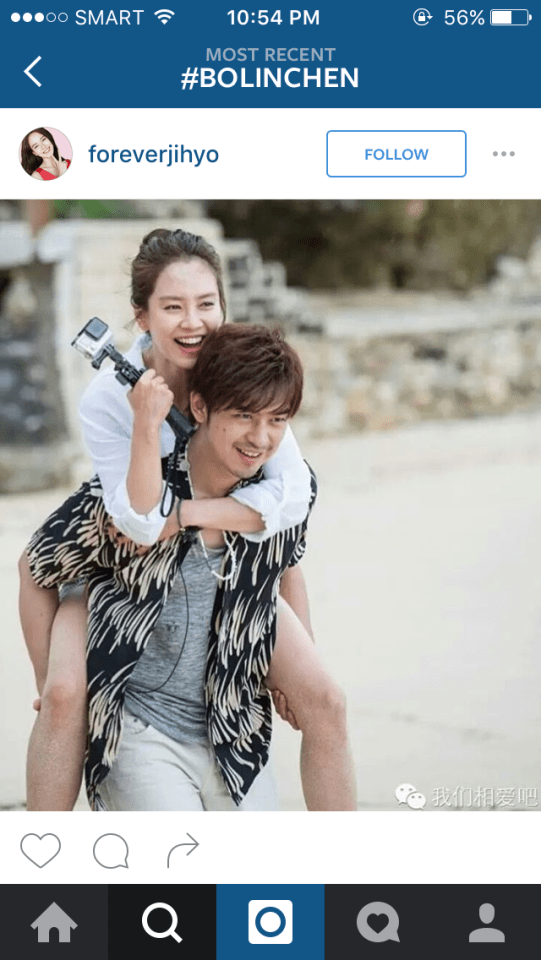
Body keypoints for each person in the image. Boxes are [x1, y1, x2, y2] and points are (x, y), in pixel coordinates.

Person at [19, 227, 357, 811]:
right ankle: (39, 849)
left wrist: (192, 514)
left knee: (326, 698)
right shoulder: (110, 397)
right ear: (142, 316)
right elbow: (136, 522)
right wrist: (147, 424)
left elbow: (293, 501)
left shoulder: (239, 379)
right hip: (119, 561)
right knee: (65, 695)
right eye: (172, 307)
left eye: (206, 304)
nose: (192, 321)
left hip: (208, 539)